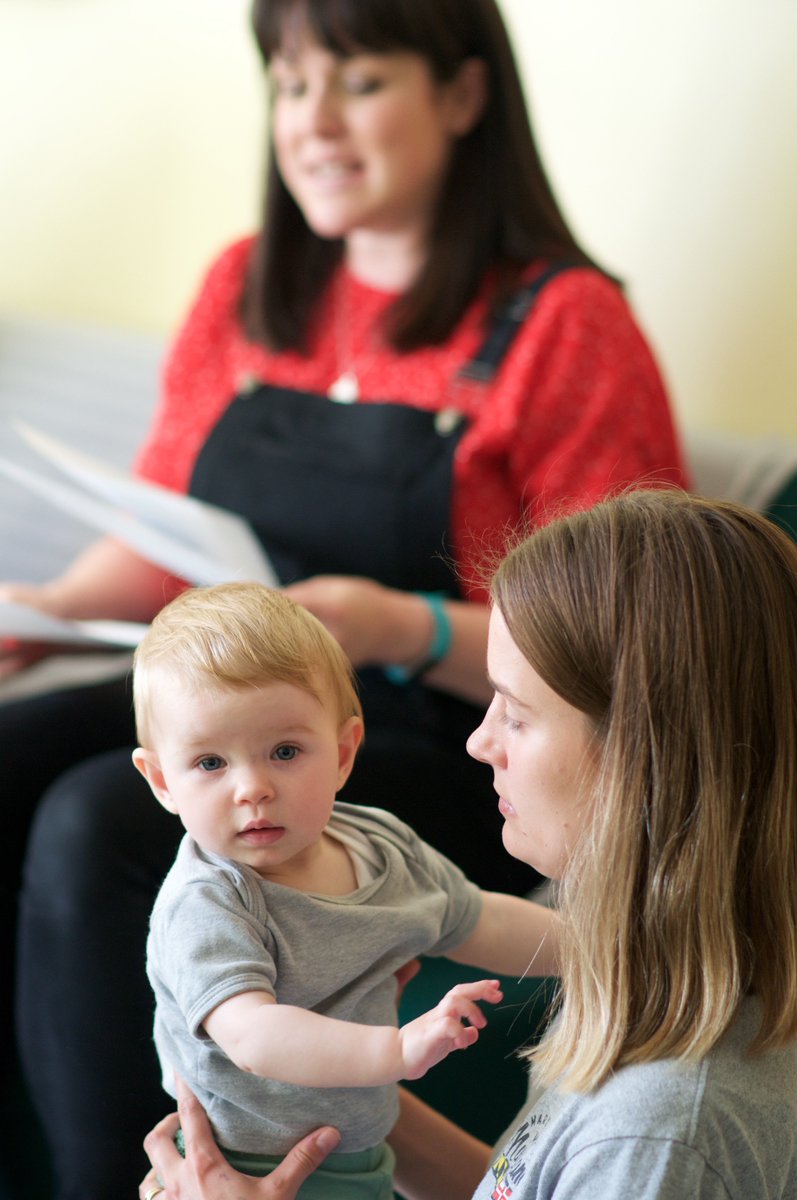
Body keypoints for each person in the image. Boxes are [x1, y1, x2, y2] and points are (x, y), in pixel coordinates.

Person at [0, 0, 686, 1193]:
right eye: (288, 85)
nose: (311, 123)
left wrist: (395, 628)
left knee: (96, 820)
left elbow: (617, 643)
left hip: (430, 739)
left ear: (462, 97)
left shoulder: (564, 324)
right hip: (231, 708)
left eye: (357, 82)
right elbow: (163, 529)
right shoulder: (246, 286)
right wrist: (42, 605)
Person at [140, 489, 797, 1200]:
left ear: (644, 756)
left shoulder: (655, 1140)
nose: (478, 741)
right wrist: (330, 1092)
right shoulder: (655, 967)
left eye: (513, 714)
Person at [133, 581, 559, 1198]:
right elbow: (254, 1036)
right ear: (161, 781)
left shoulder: (378, 845)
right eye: (210, 763)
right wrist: (397, 1050)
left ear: (342, 752)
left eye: (284, 751)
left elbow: (479, 920)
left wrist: (609, 949)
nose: (251, 788)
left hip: (362, 1154)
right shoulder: (210, 902)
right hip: (249, 1166)